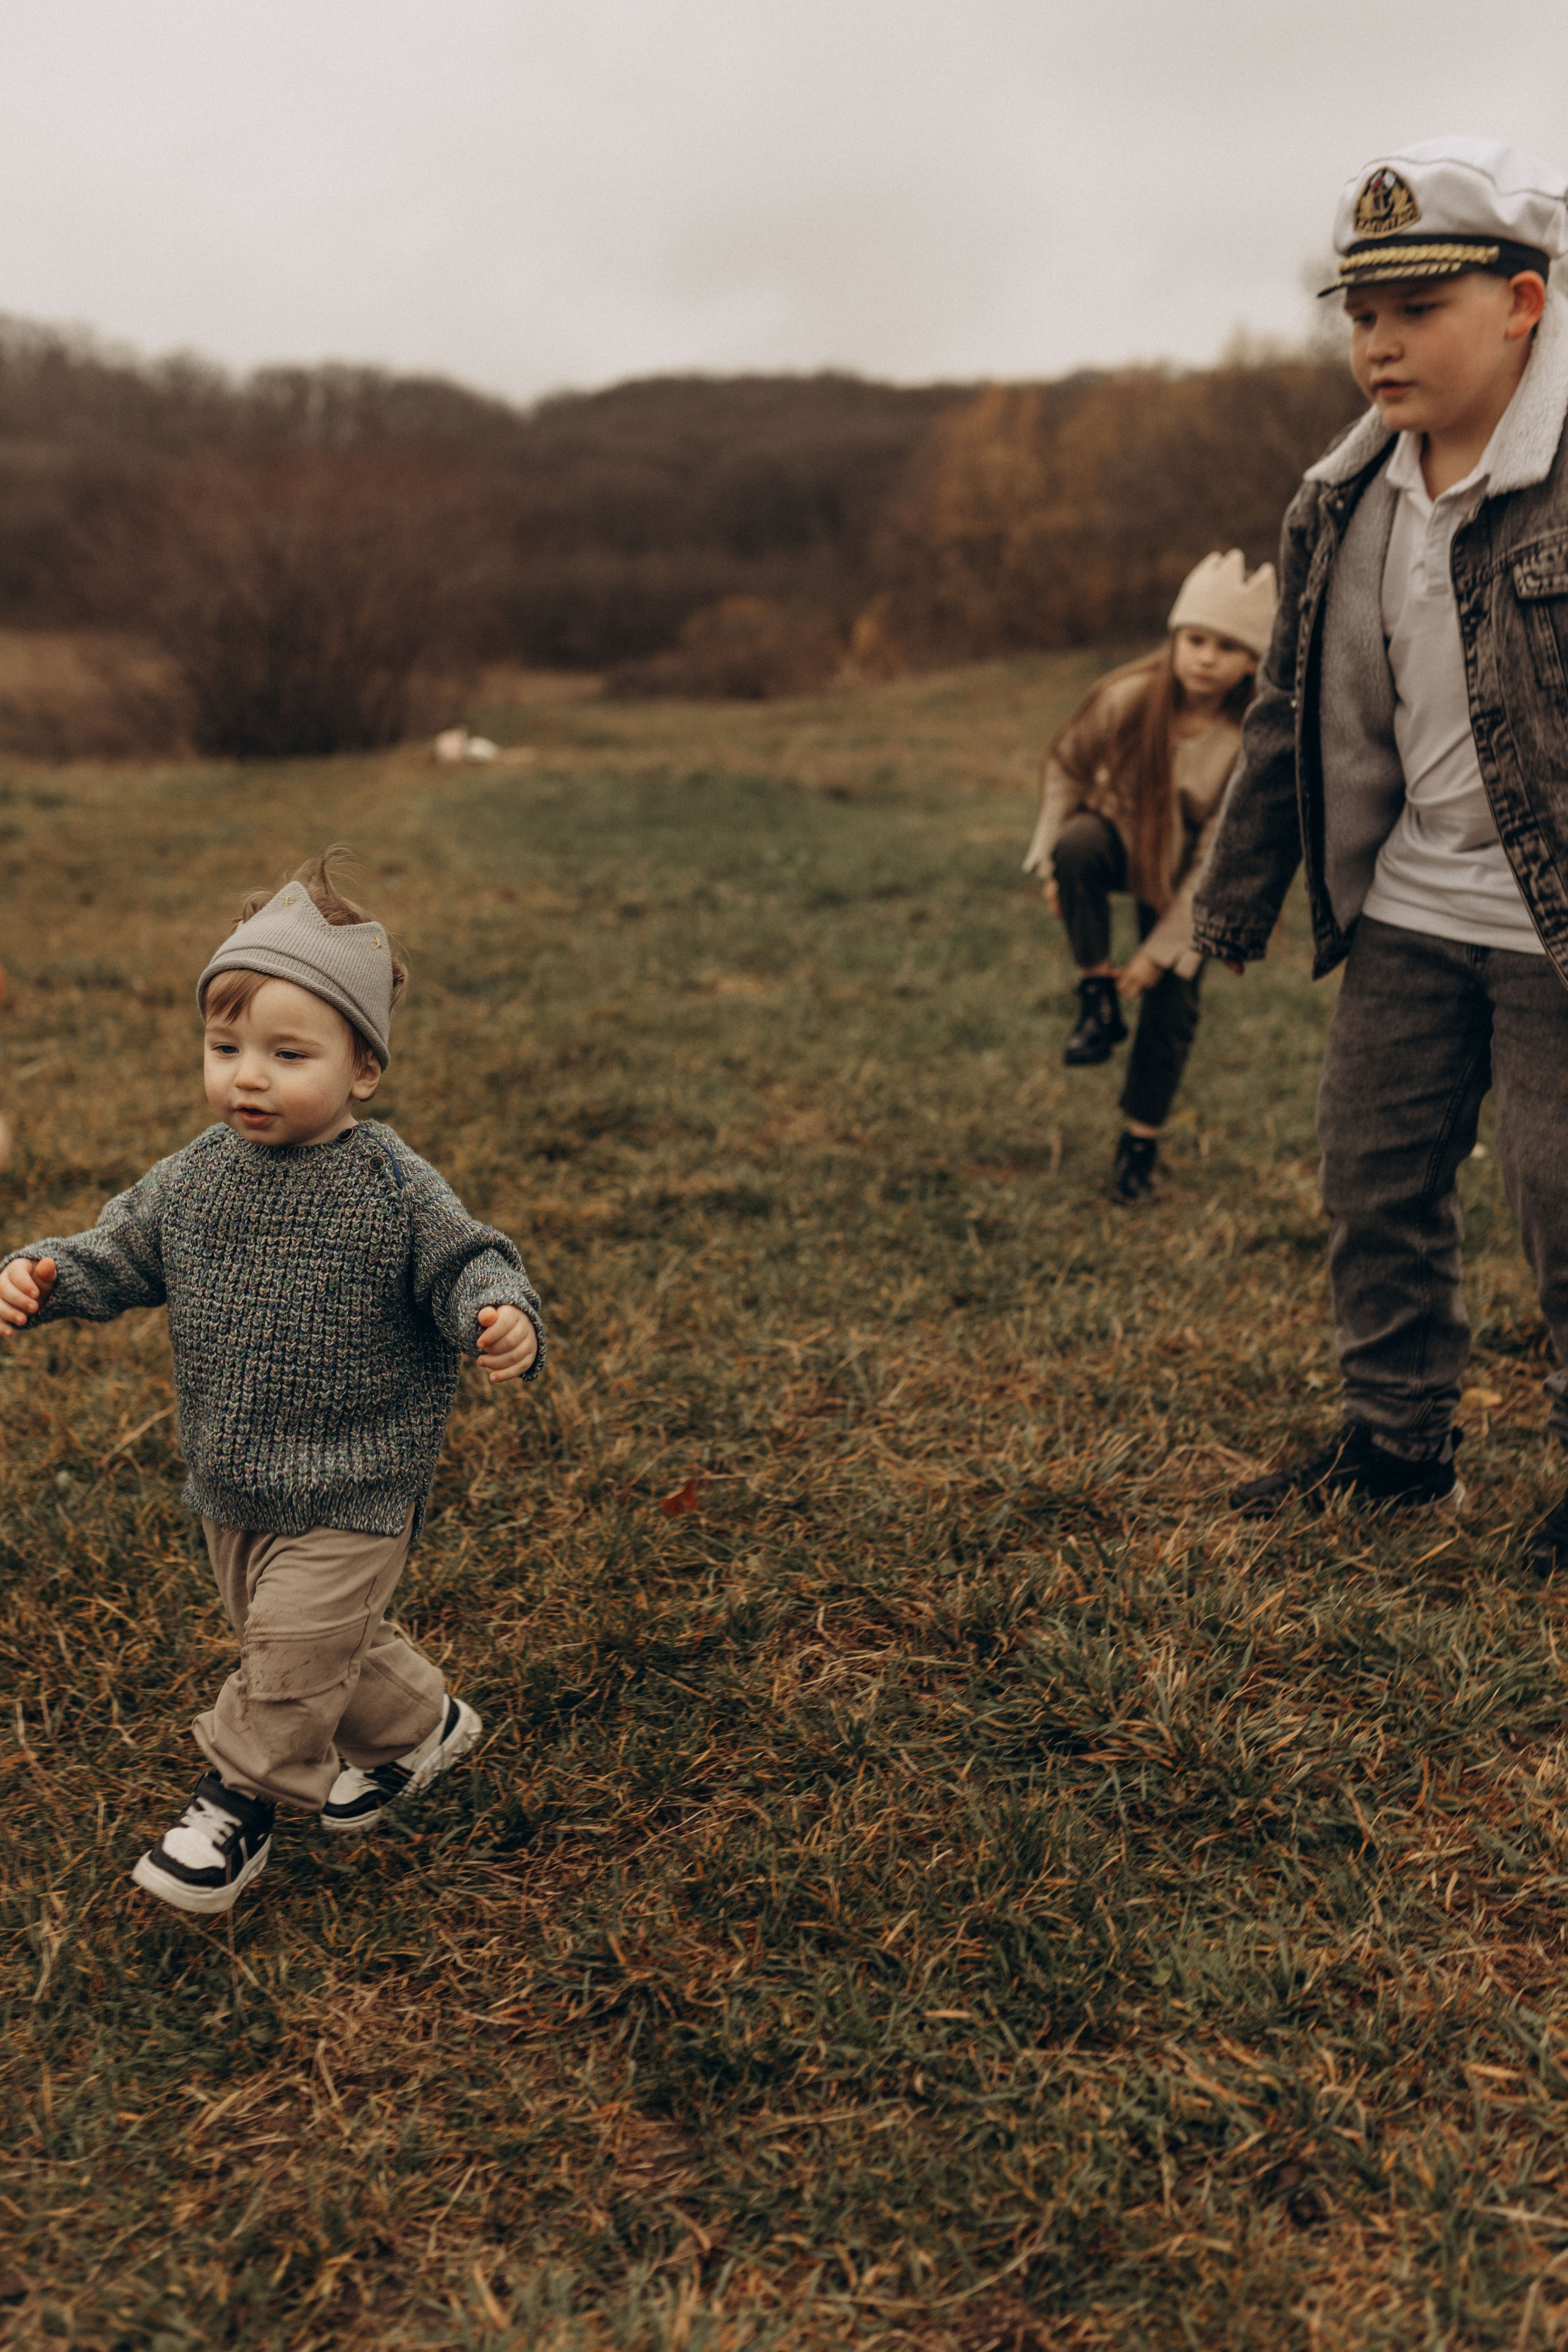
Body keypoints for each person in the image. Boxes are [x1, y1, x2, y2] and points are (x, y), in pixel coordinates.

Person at [0, 850, 546, 1913]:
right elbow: (119, 1251)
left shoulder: (391, 1183)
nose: (248, 1075)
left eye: (288, 1053)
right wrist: (45, 1274)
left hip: (358, 1479)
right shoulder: (194, 1180)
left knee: (290, 1655)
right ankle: (420, 1725)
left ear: (362, 1069)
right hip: (236, 1476)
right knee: (310, 1637)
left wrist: (500, 1312)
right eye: (226, 1046)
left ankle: (235, 1808)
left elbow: (468, 1256)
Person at [1190, 135, 1568, 1562]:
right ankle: (1395, 1447)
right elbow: (1289, 711)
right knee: (1370, 1178)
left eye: (1418, 308)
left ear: (1521, 303)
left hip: (1550, 929)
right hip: (1408, 908)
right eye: (1359, 313)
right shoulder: (1340, 496)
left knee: (1556, 1205)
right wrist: (1226, 908)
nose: (1379, 342)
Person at [1023, 551, 1276, 1200]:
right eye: (1195, 639)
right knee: (1078, 846)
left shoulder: (1245, 741)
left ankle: (1138, 1146)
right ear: (1174, 637)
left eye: (1227, 647)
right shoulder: (1126, 698)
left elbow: (1218, 858)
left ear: (1252, 661)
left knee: (1172, 1006)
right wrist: (1051, 856)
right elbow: (1066, 768)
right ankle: (1096, 999)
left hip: (1187, 883)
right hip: (1117, 839)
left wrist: (1160, 953)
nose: (1205, 658)